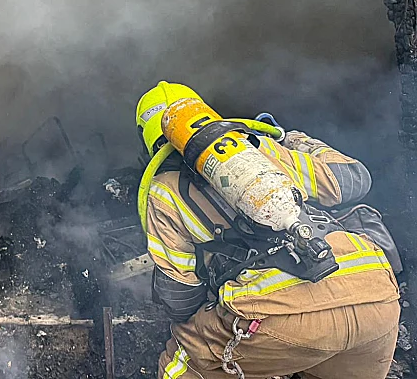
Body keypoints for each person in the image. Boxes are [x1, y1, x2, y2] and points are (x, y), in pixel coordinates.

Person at [136, 82, 401, 379]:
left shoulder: (163, 192)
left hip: (278, 317)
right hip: (375, 295)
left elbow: (181, 298)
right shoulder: (259, 147)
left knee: (182, 363)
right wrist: (290, 139)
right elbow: (354, 180)